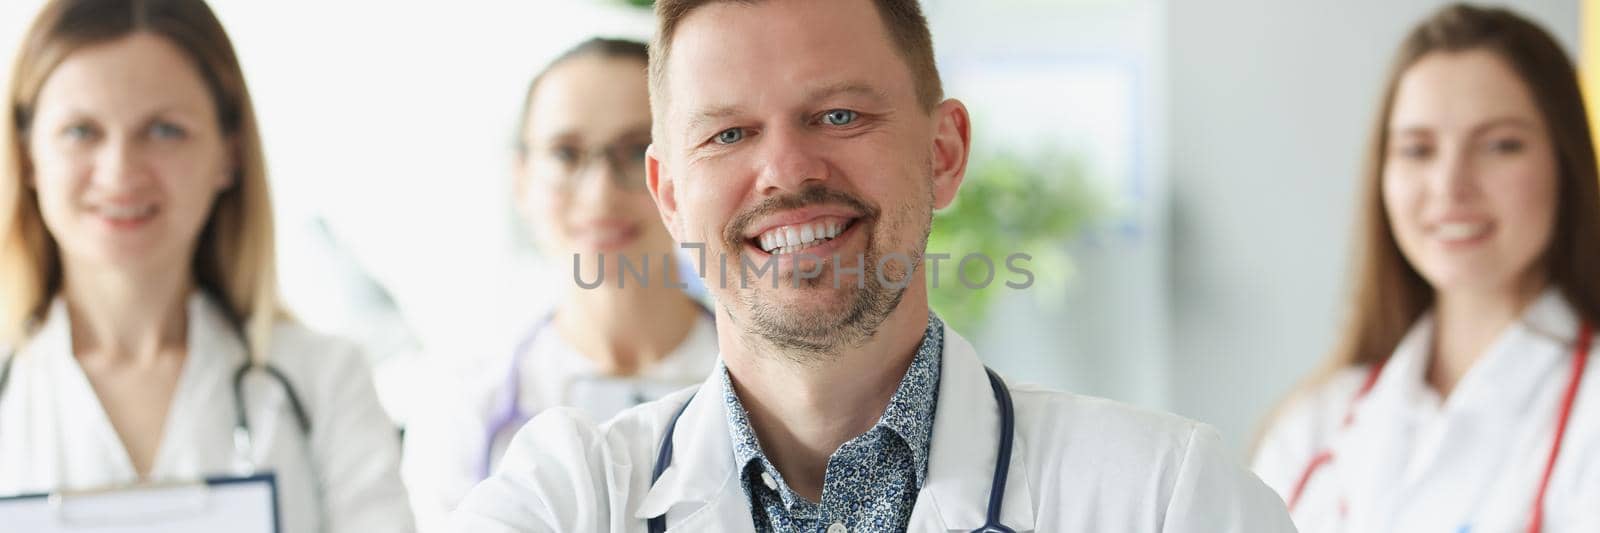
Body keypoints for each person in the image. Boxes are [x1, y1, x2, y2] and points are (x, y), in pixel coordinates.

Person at [454, 0, 1294, 531]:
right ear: (670, 193)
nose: (786, 171)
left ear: (945, 151)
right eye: (729, 133)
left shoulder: (1162, 499)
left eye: (839, 113)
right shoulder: (569, 497)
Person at [0, 1, 413, 531]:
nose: (120, 171)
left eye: (165, 130)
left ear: (229, 154)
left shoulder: (323, 381)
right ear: (28, 155)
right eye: (82, 131)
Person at [1251, 4, 1600, 531]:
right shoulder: (1316, 424)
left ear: (1565, 165)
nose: (1450, 185)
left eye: (1500, 145)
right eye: (1418, 149)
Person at [400, 38, 717, 532]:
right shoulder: (464, 405)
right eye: (566, 154)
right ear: (521, 180)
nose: (600, 193)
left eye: (636, 151)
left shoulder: (767, 383)